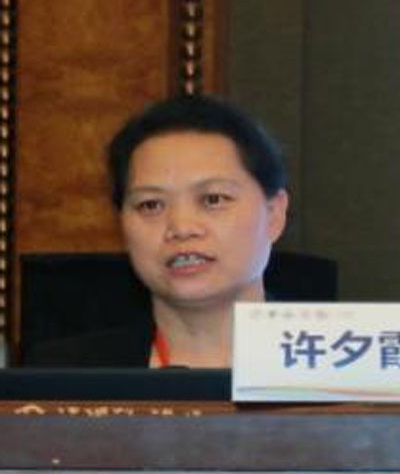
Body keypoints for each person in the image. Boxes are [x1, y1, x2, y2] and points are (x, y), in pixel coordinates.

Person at [24, 95, 289, 367]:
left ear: (274, 215)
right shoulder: (63, 375)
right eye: (151, 205)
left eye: (213, 199)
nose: (181, 228)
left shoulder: (317, 369)